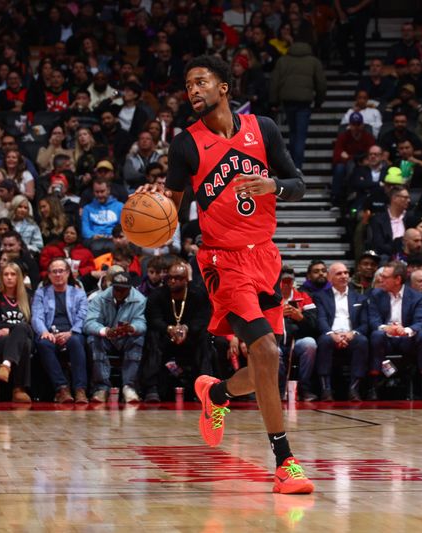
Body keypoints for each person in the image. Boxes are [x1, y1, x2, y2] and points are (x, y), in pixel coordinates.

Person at [138, 55, 314, 493]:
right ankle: (285, 462)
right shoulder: (185, 145)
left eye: (201, 82)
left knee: (261, 369)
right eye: (188, 85)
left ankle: (215, 394)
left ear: (224, 88)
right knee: (268, 352)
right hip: (222, 261)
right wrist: (149, 204)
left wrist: (274, 185)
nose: (193, 90)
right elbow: (172, 208)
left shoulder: (264, 129)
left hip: (266, 258)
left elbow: (298, 183)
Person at [141, 261, 212, 402]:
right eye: (170, 278)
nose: (172, 281)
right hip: (166, 336)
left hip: (190, 336)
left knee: (205, 337)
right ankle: (152, 388)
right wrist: (169, 329)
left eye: (177, 278)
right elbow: (153, 319)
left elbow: (203, 318)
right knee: (152, 336)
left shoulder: (197, 294)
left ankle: (205, 387)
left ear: (186, 280)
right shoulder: (157, 295)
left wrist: (187, 328)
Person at [366, 261, 422, 400]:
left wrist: (406, 330)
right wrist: (387, 328)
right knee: (377, 335)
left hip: (406, 340)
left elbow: (421, 321)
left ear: (397, 280)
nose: (380, 279)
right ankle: (373, 387)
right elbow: (373, 320)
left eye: (385, 277)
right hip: (385, 339)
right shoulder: (376, 294)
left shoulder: (415, 296)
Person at [31, 258, 89, 404]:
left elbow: (83, 316)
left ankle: (80, 389)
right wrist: (45, 332)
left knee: (76, 342)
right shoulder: (41, 293)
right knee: (43, 343)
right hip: (50, 332)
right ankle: (62, 388)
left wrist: (71, 332)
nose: (58, 275)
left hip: (72, 332)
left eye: (61, 271)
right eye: (54, 271)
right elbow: (36, 316)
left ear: (68, 273)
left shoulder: (79, 293)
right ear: (49, 275)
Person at [83, 271, 147, 403]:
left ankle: (129, 386)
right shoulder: (99, 298)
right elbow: (89, 323)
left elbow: (142, 323)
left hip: (127, 337)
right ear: (112, 286)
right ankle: (101, 387)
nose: (119, 293)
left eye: (123, 290)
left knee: (139, 338)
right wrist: (104, 331)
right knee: (93, 339)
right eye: (116, 289)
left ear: (130, 288)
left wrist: (132, 328)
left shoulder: (140, 299)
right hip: (106, 338)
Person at [314, 262, 370, 401]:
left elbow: (364, 324)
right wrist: (333, 335)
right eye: (339, 273)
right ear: (330, 278)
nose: (344, 276)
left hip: (351, 335)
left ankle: (354, 389)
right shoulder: (320, 297)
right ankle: (326, 389)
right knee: (325, 340)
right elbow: (321, 320)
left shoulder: (359, 298)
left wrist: (352, 334)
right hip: (331, 334)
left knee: (362, 341)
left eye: (346, 273)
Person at [269, 40, 326, 170]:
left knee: (292, 133)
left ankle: (291, 166)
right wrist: (318, 102)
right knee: (300, 135)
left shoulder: (283, 61)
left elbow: (274, 81)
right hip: (304, 102)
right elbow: (321, 84)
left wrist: (274, 101)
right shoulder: (313, 62)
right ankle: (297, 167)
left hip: (288, 101)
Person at [0, 263, 33, 403]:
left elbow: (31, 326)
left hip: (22, 336)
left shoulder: (28, 298)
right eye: (6, 274)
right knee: (24, 341)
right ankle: (19, 389)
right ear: (1, 278)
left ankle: (6, 366)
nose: (9, 278)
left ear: (20, 277)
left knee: (24, 334)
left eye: (13, 274)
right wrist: (17, 328)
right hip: (0, 341)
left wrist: (10, 329)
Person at [278, 265, 319, 401]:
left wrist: (300, 318)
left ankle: (304, 388)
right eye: (284, 281)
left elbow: (314, 325)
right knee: (274, 351)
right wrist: (278, 315)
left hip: (297, 341)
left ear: (294, 281)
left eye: (289, 281)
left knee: (310, 344)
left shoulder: (303, 296)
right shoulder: (270, 297)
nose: (287, 284)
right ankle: (279, 389)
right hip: (275, 340)